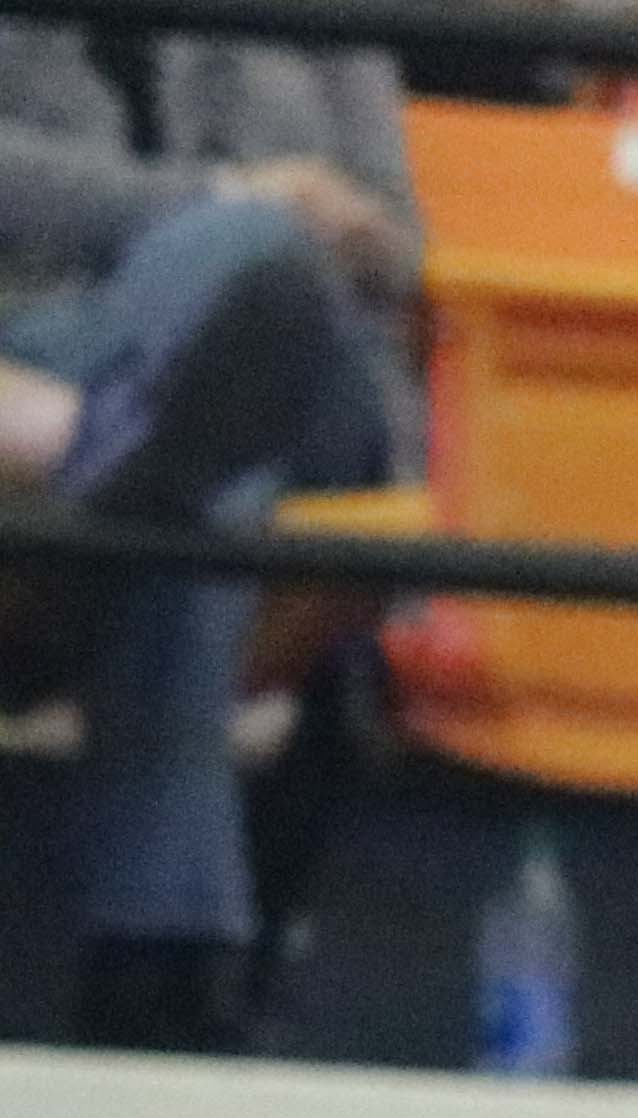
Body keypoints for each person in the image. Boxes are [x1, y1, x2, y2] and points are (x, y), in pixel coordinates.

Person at [0, 20, 419, 1052]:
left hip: (307, 368)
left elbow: (401, 244)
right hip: (56, 350)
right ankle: (160, 963)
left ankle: (121, 439)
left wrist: (300, 231)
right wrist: (223, 202)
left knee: (249, 284)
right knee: (206, 467)